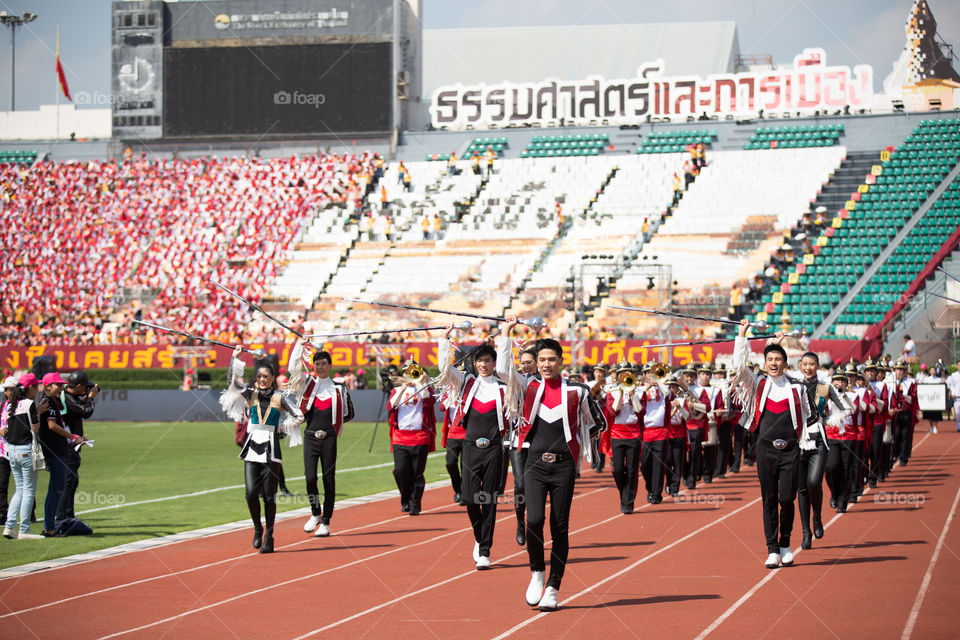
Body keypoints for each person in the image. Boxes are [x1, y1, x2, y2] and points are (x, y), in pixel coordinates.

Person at [501, 325, 606, 611]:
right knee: (533, 521)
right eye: (542, 360)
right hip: (534, 463)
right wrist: (506, 331)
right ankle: (537, 571)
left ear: (561, 361)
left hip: (564, 468)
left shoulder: (578, 391)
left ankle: (553, 587)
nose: (546, 365)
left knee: (560, 527)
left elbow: (598, 423)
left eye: (551, 360)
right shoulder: (528, 386)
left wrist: (580, 442)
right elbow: (501, 370)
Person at [730, 320, 811, 569]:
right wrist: (743, 334)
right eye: (770, 360)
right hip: (765, 450)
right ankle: (772, 549)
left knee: (787, 499)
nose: (774, 363)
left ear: (785, 364)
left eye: (778, 359)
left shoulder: (798, 389)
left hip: (791, 451)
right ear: (764, 364)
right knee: (769, 499)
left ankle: (786, 544)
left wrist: (807, 442)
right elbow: (739, 367)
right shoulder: (759, 384)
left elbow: (809, 417)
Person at [437, 327, 513, 569]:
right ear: (474, 363)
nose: (483, 364)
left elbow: (506, 370)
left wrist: (505, 335)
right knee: (470, 499)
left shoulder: (504, 387)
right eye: (479, 360)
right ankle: (480, 536)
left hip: (494, 450)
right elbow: (444, 370)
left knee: (489, 499)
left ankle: (485, 550)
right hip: (470, 448)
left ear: (494, 363)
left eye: (487, 360)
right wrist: (444, 339)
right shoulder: (467, 383)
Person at [220, 346, 303, 553]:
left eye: (266, 376)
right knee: (250, 493)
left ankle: (270, 536)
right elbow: (232, 382)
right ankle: (258, 528)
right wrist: (236, 357)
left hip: (272, 448)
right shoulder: (250, 394)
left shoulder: (279, 397)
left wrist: (282, 428)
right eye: (259, 376)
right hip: (253, 447)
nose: (262, 379)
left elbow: (299, 416)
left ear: (272, 377)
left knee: (269, 496)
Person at [289, 338, 354, 537]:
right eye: (317, 364)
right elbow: (293, 369)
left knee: (328, 479)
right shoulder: (308, 384)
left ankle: (326, 521)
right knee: (310, 478)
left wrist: (334, 425)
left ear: (330, 365)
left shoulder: (339, 389)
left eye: (324, 363)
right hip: (310, 436)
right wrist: (300, 345)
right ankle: (315, 512)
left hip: (329, 438)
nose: (320, 367)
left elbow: (349, 414)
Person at [37, 372, 86, 537]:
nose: (61, 388)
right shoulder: (48, 401)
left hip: (58, 449)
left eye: (62, 385)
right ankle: (49, 527)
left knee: (57, 489)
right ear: (48, 386)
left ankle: (49, 526)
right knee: (56, 490)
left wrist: (72, 440)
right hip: (55, 451)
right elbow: (51, 426)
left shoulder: (51, 401)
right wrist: (72, 437)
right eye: (58, 385)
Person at [387, 360, 436, 516]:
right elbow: (391, 406)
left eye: (413, 372)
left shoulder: (424, 389)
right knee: (400, 471)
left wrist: (420, 382)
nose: (410, 375)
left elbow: (428, 400)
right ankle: (406, 498)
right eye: (407, 372)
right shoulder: (396, 390)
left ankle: (415, 504)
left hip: (420, 437)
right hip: (400, 437)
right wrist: (402, 389)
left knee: (417, 473)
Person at [2, 375, 44, 539]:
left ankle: (9, 526)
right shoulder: (29, 404)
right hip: (25, 450)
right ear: (31, 388)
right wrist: (38, 413)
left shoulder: (12, 404)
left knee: (19, 490)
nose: (37, 390)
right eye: (36, 387)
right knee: (28, 490)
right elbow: (34, 429)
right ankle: (24, 528)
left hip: (11, 450)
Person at [58, 371, 99, 521]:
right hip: (68, 446)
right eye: (84, 387)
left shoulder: (68, 396)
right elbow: (86, 412)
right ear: (79, 386)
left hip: (71, 445)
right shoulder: (68, 399)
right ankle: (63, 516)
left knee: (72, 481)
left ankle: (68, 514)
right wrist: (91, 398)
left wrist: (86, 397)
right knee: (69, 482)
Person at [604, 362, 643, 513]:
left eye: (629, 372)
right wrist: (620, 393)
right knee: (618, 469)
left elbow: (640, 413)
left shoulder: (639, 391)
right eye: (623, 373)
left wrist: (632, 394)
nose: (626, 375)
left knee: (632, 469)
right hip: (617, 434)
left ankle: (628, 503)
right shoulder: (611, 391)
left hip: (634, 433)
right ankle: (624, 493)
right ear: (618, 375)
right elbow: (614, 412)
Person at [824, 368, 859, 514]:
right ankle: (834, 492)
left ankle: (842, 502)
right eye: (836, 380)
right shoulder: (827, 396)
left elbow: (854, 410)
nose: (839, 383)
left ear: (846, 383)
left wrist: (844, 397)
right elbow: (822, 411)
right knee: (831, 466)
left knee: (846, 468)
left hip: (848, 435)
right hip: (832, 434)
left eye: (842, 380)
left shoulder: (852, 395)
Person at [892, 357, 917, 466]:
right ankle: (895, 454)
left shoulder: (910, 382)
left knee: (905, 434)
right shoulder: (891, 381)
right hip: (895, 412)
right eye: (898, 369)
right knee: (896, 434)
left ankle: (903, 457)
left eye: (902, 369)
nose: (900, 372)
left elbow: (913, 398)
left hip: (905, 411)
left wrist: (903, 395)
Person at [920, 366, 944, 434]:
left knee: (936, 415)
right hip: (929, 401)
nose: (933, 372)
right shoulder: (927, 379)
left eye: (934, 370)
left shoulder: (939, 379)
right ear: (930, 372)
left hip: (936, 401)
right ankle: (931, 426)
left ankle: (935, 427)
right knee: (929, 415)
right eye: (931, 370)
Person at [948, 360, 960, 433]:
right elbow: (951, 385)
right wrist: (952, 392)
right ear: (957, 366)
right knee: (958, 413)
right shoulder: (953, 375)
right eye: (959, 365)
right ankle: (958, 426)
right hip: (956, 397)